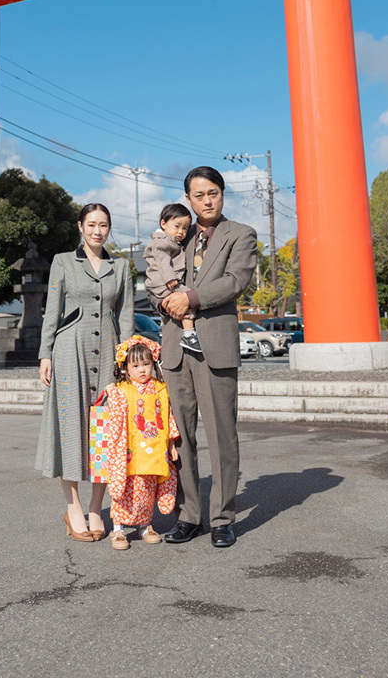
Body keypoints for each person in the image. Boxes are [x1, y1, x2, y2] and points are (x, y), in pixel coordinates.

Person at [152, 166, 257, 549]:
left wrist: (190, 298)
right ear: (188, 199)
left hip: (216, 348)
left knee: (222, 435)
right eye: (199, 195)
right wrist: (164, 300)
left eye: (213, 193)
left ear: (222, 194)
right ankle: (190, 515)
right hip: (177, 350)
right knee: (181, 438)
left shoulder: (241, 234)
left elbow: (234, 281)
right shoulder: (177, 234)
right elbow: (154, 274)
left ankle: (223, 517)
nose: (207, 200)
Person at [36, 203, 134, 541]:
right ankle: (73, 507)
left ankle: (97, 507)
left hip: (108, 355)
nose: (97, 230)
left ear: (109, 229)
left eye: (103, 225)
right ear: (80, 226)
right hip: (68, 352)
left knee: (106, 433)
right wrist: (45, 353)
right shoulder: (63, 261)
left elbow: (125, 316)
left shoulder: (120, 267)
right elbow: (53, 311)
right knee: (71, 428)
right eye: (91, 224)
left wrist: (127, 360)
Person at [106, 335, 179, 550]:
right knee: (123, 487)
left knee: (147, 489)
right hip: (128, 451)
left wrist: (172, 444)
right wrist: (112, 391)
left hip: (153, 450)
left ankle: (145, 525)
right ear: (125, 368)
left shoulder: (160, 388)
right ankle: (117, 527)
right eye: (135, 365)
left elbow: (167, 416)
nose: (142, 370)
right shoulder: (122, 389)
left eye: (146, 364)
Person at [143, 203, 201, 352]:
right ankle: (188, 334)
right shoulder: (162, 241)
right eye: (177, 226)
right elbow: (162, 261)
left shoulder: (171, 241)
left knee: (183, 299)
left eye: (185, 228)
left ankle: (184, 332)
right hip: (163, 282)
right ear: (163, 223)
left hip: (163, 282)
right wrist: (170, 278)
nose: (181, 231)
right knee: (188, 297)